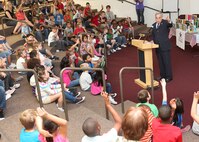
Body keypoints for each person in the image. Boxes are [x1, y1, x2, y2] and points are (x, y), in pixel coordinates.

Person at [152, 13, 173, 82]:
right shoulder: (154, 25)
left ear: (161, 18)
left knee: (166, 62)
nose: (158, 19)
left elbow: (170, 25)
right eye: (156, 17)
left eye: (159, 17)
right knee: (160, 62)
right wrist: (152, 41)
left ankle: (169, 77)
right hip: (157, 47)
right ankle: (162, 76)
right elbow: (153, 35)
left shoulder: (165, 23)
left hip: (165, 46)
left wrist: (169, 21)